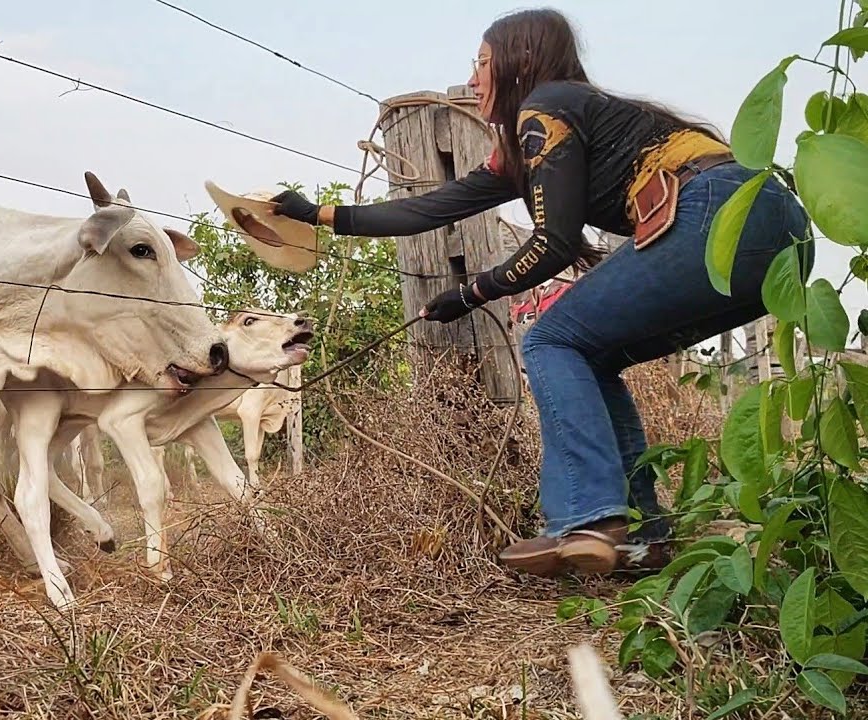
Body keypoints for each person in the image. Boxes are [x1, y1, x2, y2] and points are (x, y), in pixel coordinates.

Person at [267, 7, 811, 577]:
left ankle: (589, 519)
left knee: (550, 341)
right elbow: (428, 207)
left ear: (518, 60)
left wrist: (473, 290)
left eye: (482, 63)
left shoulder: (544, 109)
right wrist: (320, 214)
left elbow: (554, 243)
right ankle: (641, 539)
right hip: (779, 236)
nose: (475, 80)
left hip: (719, 215)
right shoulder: (553, 130)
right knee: (594, 355)